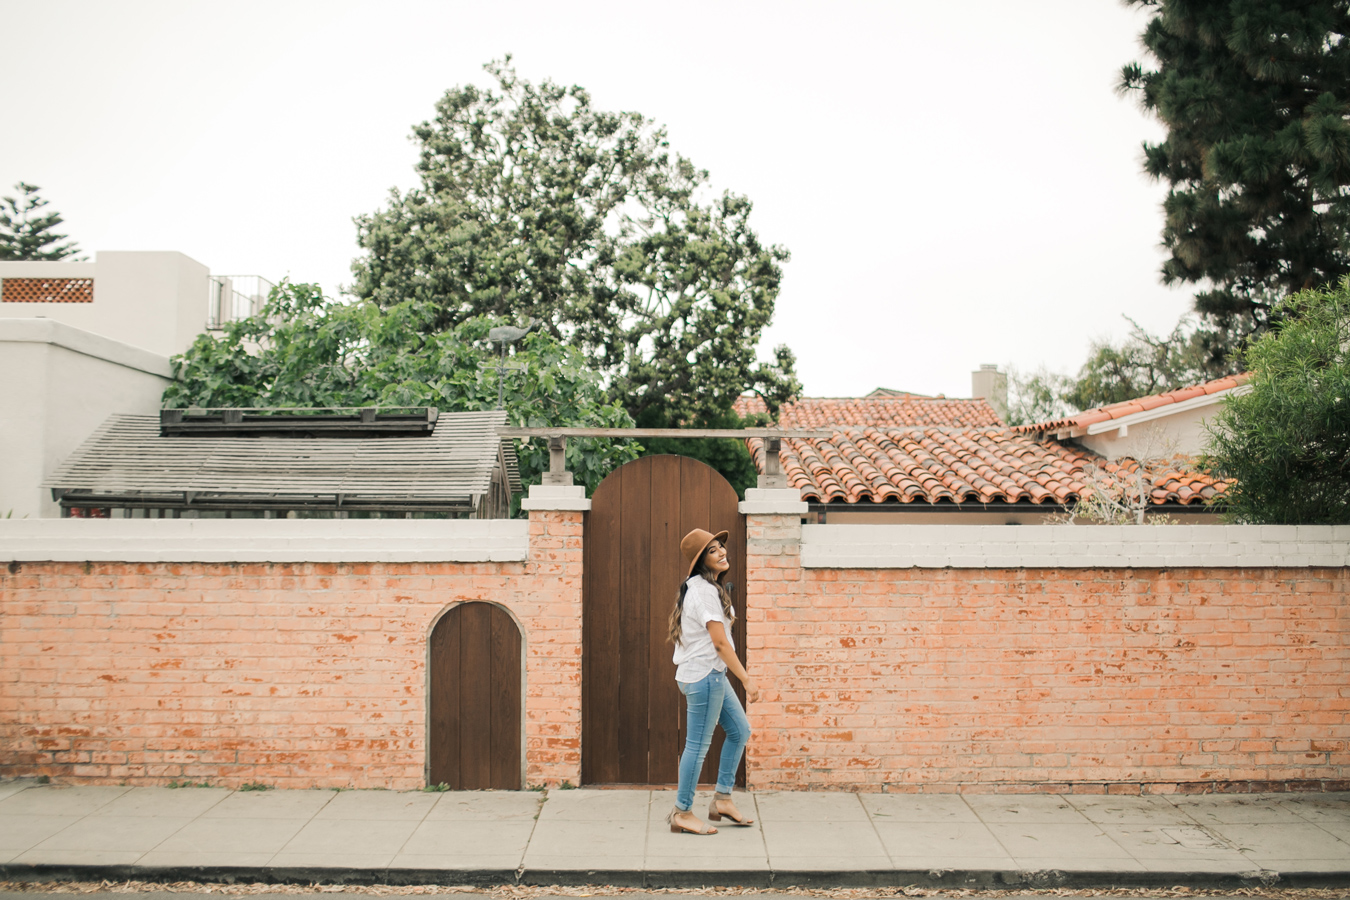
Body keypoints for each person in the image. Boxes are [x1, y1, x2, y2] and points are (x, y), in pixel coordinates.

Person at [665, 527, 759, 835]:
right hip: (705, 676)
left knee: (740, 730)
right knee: (697, 745)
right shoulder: (704, 592)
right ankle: (682, 812)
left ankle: (722, 799)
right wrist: (746, 679)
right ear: (701, 561)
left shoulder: (702, 587)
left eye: (720, 547)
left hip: (708, 674)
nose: (721, 552)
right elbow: (720, 643)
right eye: (712, 550)